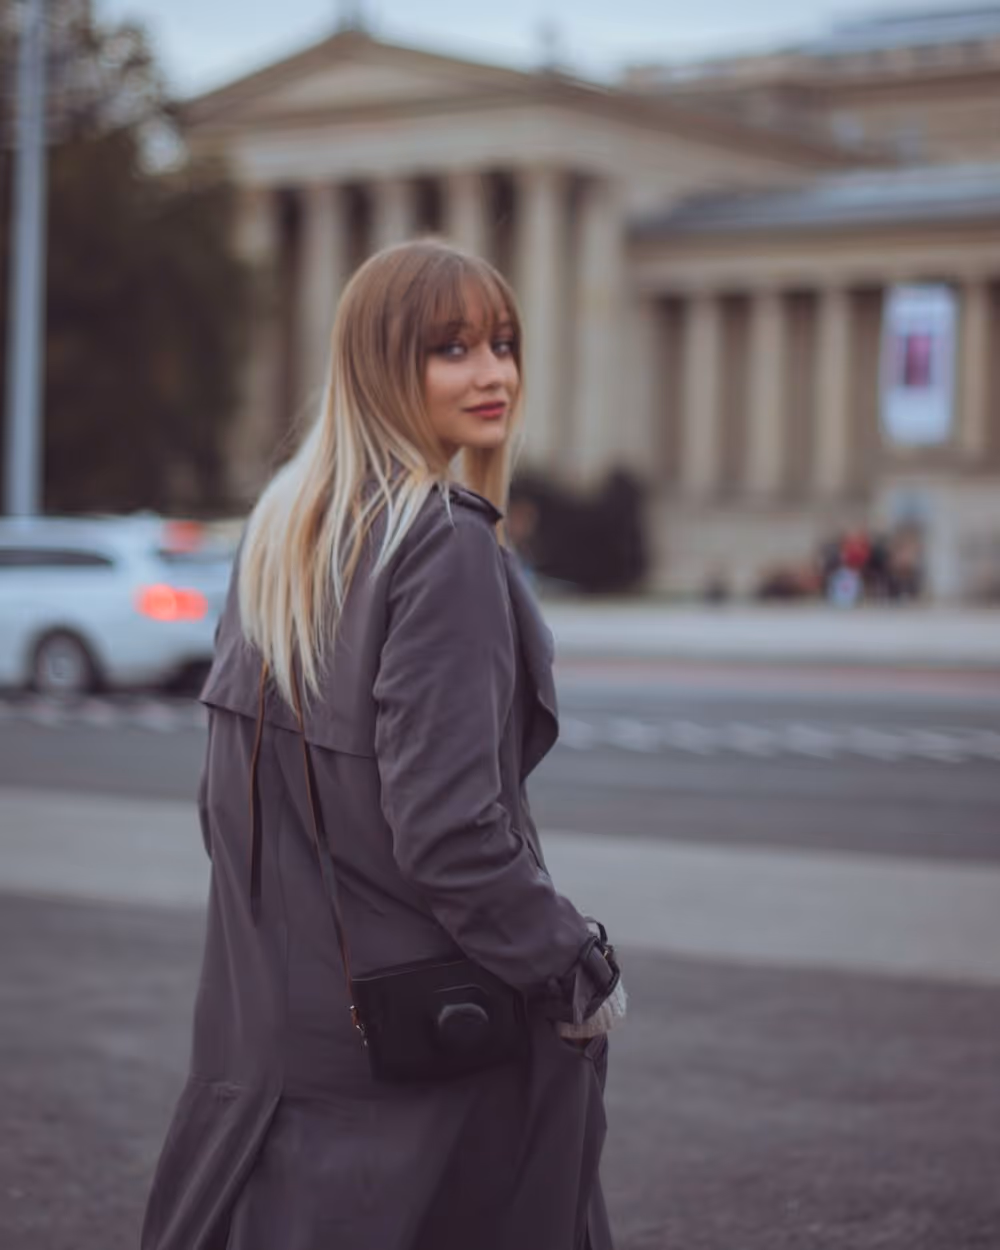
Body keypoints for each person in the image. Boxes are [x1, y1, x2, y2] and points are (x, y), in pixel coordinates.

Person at [140, 238, 625, 1250]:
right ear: (377, 364)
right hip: (426, 1059)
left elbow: (227, 811)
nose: (492, 372)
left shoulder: (284, 535)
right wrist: (576, 964)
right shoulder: (442, 544)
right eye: (450, 348)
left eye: (503, 342)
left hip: (279, 1042)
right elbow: (451, 829)